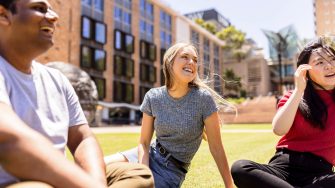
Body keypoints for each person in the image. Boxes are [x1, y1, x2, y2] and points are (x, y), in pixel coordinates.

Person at [0, 0, 153, 187]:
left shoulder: (57, 78)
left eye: (51, 9)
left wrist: (96, 183)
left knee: (136, 174)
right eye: (40, 9)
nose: (54, 16)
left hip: (59, 181)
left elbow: (82, 138)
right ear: (3, 15)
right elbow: (10, 142)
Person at [105, 43, 234, 188]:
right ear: (170, 62)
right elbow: (144, 142)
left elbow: (216, 147)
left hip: (171, 171)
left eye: (195, 60)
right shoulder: (153, 96)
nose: (191, 62)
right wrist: (143, 172)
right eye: (185, 57)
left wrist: (229, 185)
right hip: (144, 157)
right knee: (96, 168)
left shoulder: (203, 99)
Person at [231, 36, 335, 188]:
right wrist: (299, 89)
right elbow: (279, 129)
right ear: (306, 72)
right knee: (240, 167)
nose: (329, 66)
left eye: (332, 59)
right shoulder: (295, 96)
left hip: (319, 174)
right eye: (320, 62)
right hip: (282, 169)